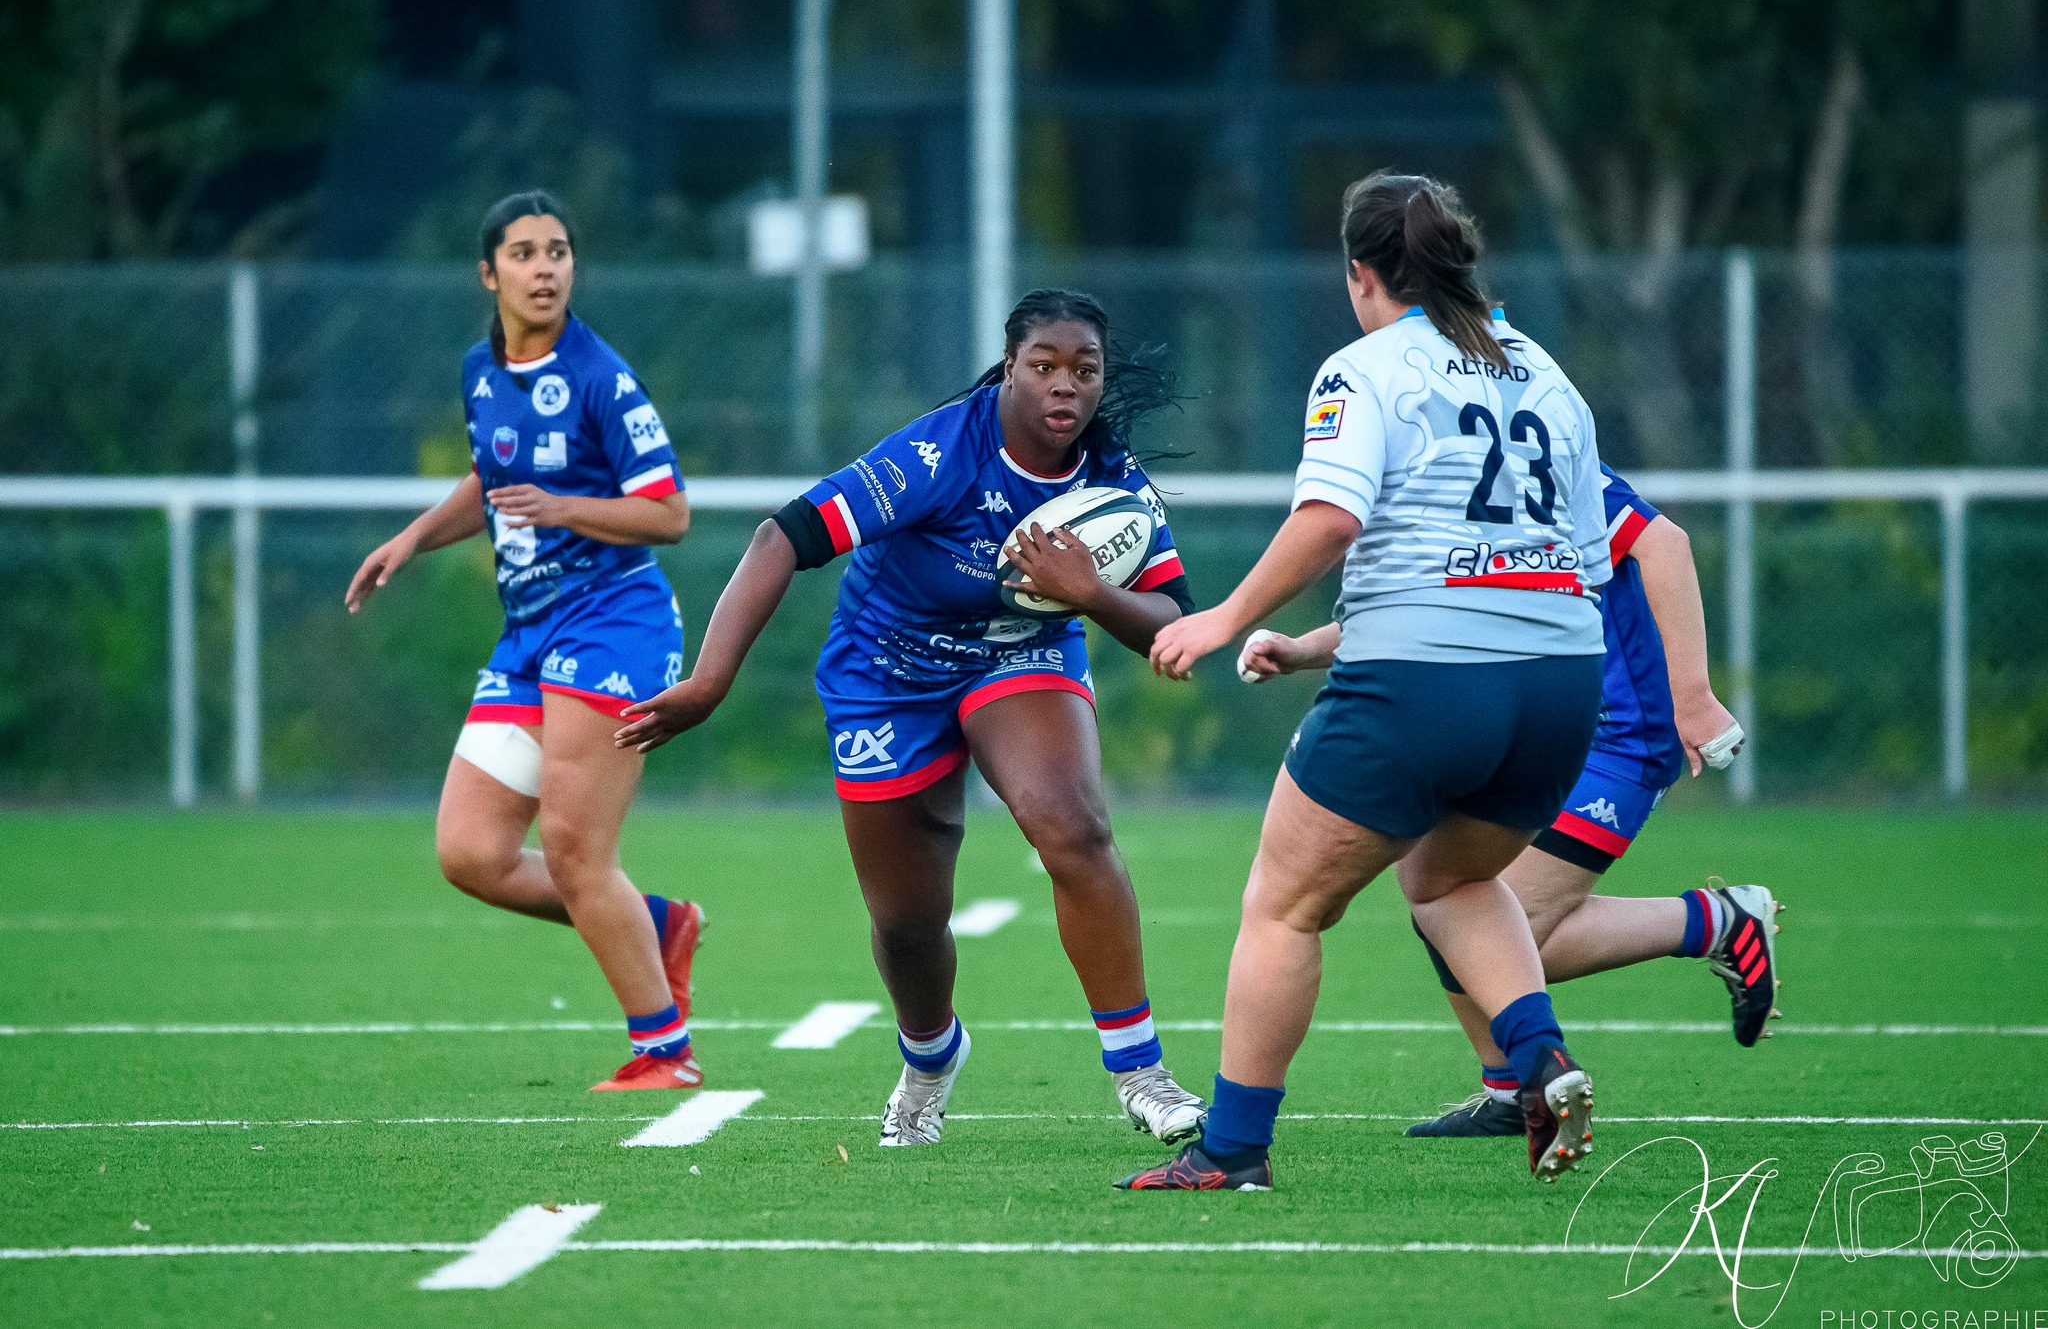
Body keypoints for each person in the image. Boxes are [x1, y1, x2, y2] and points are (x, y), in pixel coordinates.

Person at [615, 289, 1208, 1147]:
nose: (1064, 387)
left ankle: (1141, 1072)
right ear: (1010, 370)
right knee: (907, 921)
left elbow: (1177, 628)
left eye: (1084, 370)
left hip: (1019, 655)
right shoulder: (939, 452)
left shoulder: (1113, 483)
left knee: (1073, 827)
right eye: (1043, 365)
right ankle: (930, 1056)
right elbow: (782, 537)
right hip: (886, 670)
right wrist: (709, 683)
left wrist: (1091, 594)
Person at [1119, 170, 1611, 1192]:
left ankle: (1231, 1151)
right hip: (1560, 681)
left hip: (1426, 689)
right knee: (1450, 878)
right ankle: (1540, 1062)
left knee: (1283, 904)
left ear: (1358, 275)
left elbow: (1331, 519)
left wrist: (1222, 618)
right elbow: (1547, 569)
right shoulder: (1545, 374)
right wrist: (1311, 645)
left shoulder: (1363, 368)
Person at [1235, 463, 1782, 1142]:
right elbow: (1414, 612)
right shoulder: (1448, 474)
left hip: (1619, 730)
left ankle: (1716, 922)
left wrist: (1691, 695)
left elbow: (1663, 542)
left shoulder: (1536, 456)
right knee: (1446, 891)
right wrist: (1296, 650)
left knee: (1492, 924)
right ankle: (1507, 1087)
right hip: (1544, 714)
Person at [345, 191, 706, 1092]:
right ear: (490, 273)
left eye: (558, 252)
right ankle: (656, 922)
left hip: (615, 624)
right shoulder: (479, 368)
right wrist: (413, 538)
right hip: (529, 633)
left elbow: (668, 513)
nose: (544, 269)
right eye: (524, 254)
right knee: (470, 851)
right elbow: (491, 479)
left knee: (581, 853)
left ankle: (664, 1051)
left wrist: (567, 508)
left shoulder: (601, 378)